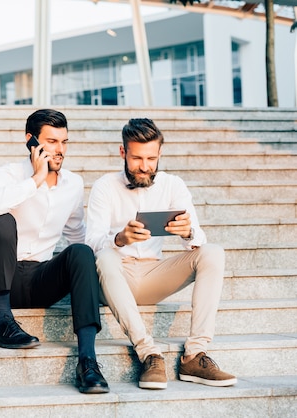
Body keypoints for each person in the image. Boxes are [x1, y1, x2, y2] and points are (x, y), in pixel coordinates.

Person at [85, 117, 237, 390]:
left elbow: (197, 240)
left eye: (151, 158)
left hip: (154, 275)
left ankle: (195, 355)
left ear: (160, 154)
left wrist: (187, 232)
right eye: (137, 158)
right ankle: (149, 354)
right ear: (123, 153)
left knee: (212, 252)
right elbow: (90, 245)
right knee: (105, 256)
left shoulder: (173, 185)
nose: (144, 166)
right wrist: (119, 238)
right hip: (114, 276)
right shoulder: (104, 186)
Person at [0, 109, 109, 394]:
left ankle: (88, 362)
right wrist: (36, 179)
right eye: (51, 141)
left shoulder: (73, 184)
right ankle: (2, 323)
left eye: (64, 142)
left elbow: (76, 235)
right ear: (30, 141)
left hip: (38, 280)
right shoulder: (7, 173)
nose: (59, 150)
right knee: (1, 219)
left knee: (82, 251)